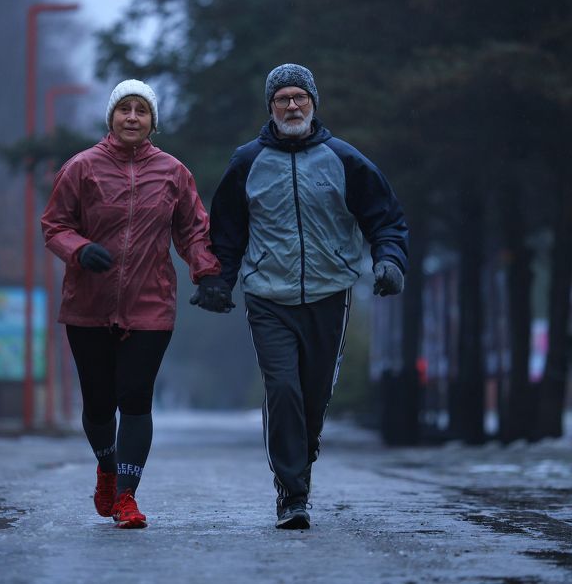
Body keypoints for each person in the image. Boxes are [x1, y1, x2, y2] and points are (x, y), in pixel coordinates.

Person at [205, 63, 408, 529]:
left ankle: (301, 455)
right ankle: (292, 495)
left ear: (314, 103)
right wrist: (218, 280)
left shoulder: (345, 159)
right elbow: (227, 231)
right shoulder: (247, 161)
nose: (292, 105)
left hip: (328, 293)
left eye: (300, 97)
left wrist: (390, 261)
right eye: (283, 99)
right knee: (282, 388)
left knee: (312, 399)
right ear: (270, 107)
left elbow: (386, 219)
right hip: (267, 295)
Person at [41, 79, 230, 529]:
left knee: (136, 398)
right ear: (111, 117)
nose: (131, 117)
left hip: (150, 304)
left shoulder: (172, 173)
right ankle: (107, 468)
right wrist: (79, 249)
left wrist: (208, 275)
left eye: (140, 111)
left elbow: (193, 231)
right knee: (99, 405)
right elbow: (54, 224)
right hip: (88, 304)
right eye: (123, 109)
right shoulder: (81, 168)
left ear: (152, 122)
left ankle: (126, 496)